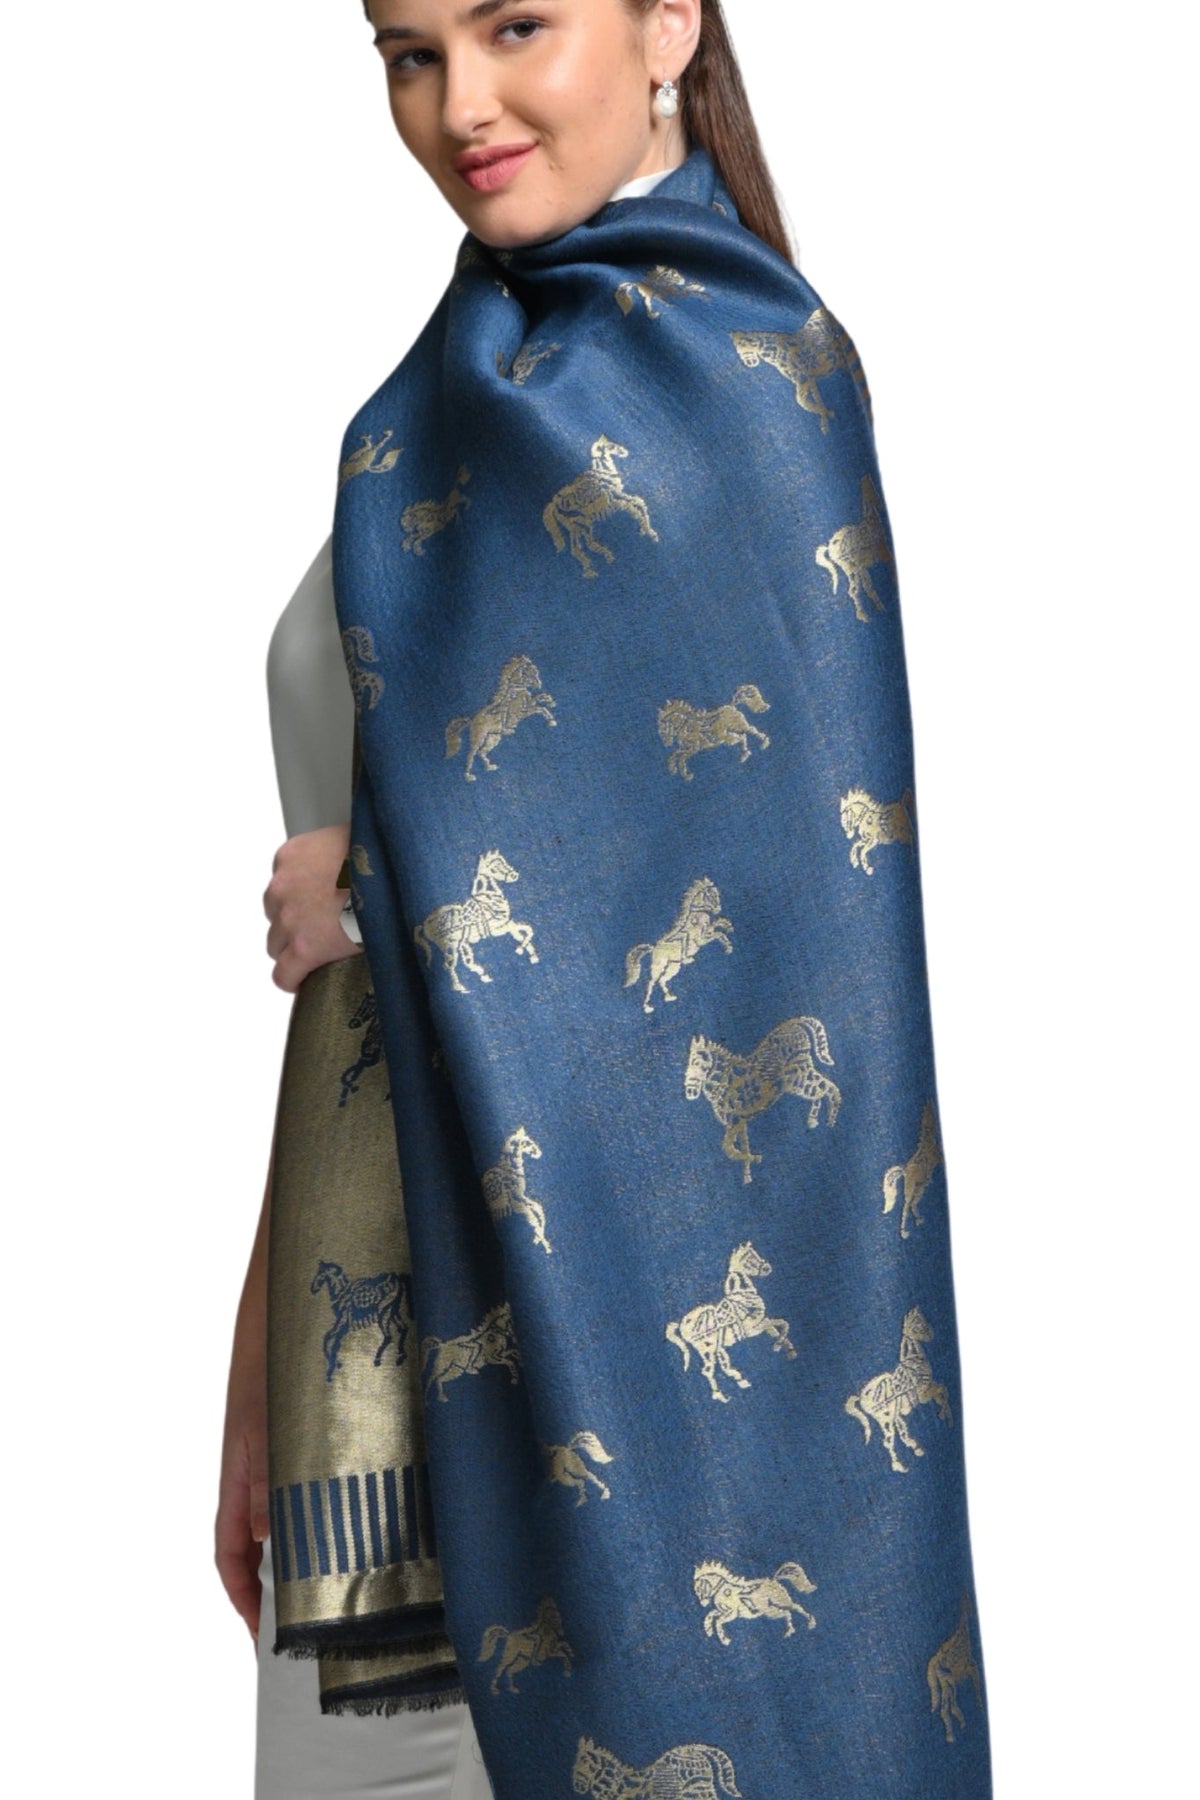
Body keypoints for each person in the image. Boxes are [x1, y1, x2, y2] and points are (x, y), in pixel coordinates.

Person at [219, 2, 992, 1795]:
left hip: (633, 1365)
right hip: (380, 1349)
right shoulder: (427, 414)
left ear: (666, 23)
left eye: (515, 25)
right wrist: (266, 1345)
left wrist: (377, 884)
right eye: (409, 52)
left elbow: (776, 905)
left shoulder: (752, 382)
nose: (461, 104)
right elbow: (355, 1003)